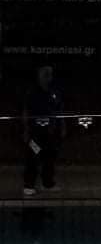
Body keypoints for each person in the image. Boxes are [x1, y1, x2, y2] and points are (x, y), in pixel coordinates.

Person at [22, 66, 65, 196]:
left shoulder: (55, 92)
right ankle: (29, 185)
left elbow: (59, 111)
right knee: (33, 157)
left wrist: (62, 126)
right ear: (39, 76)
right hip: (35, 133)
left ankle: (48, 183)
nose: (47, 77)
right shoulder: (32, 92)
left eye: (49, 74)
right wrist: (26, 130)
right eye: (45, 74)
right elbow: (25, 111)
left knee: (49, 158)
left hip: (50, 132)